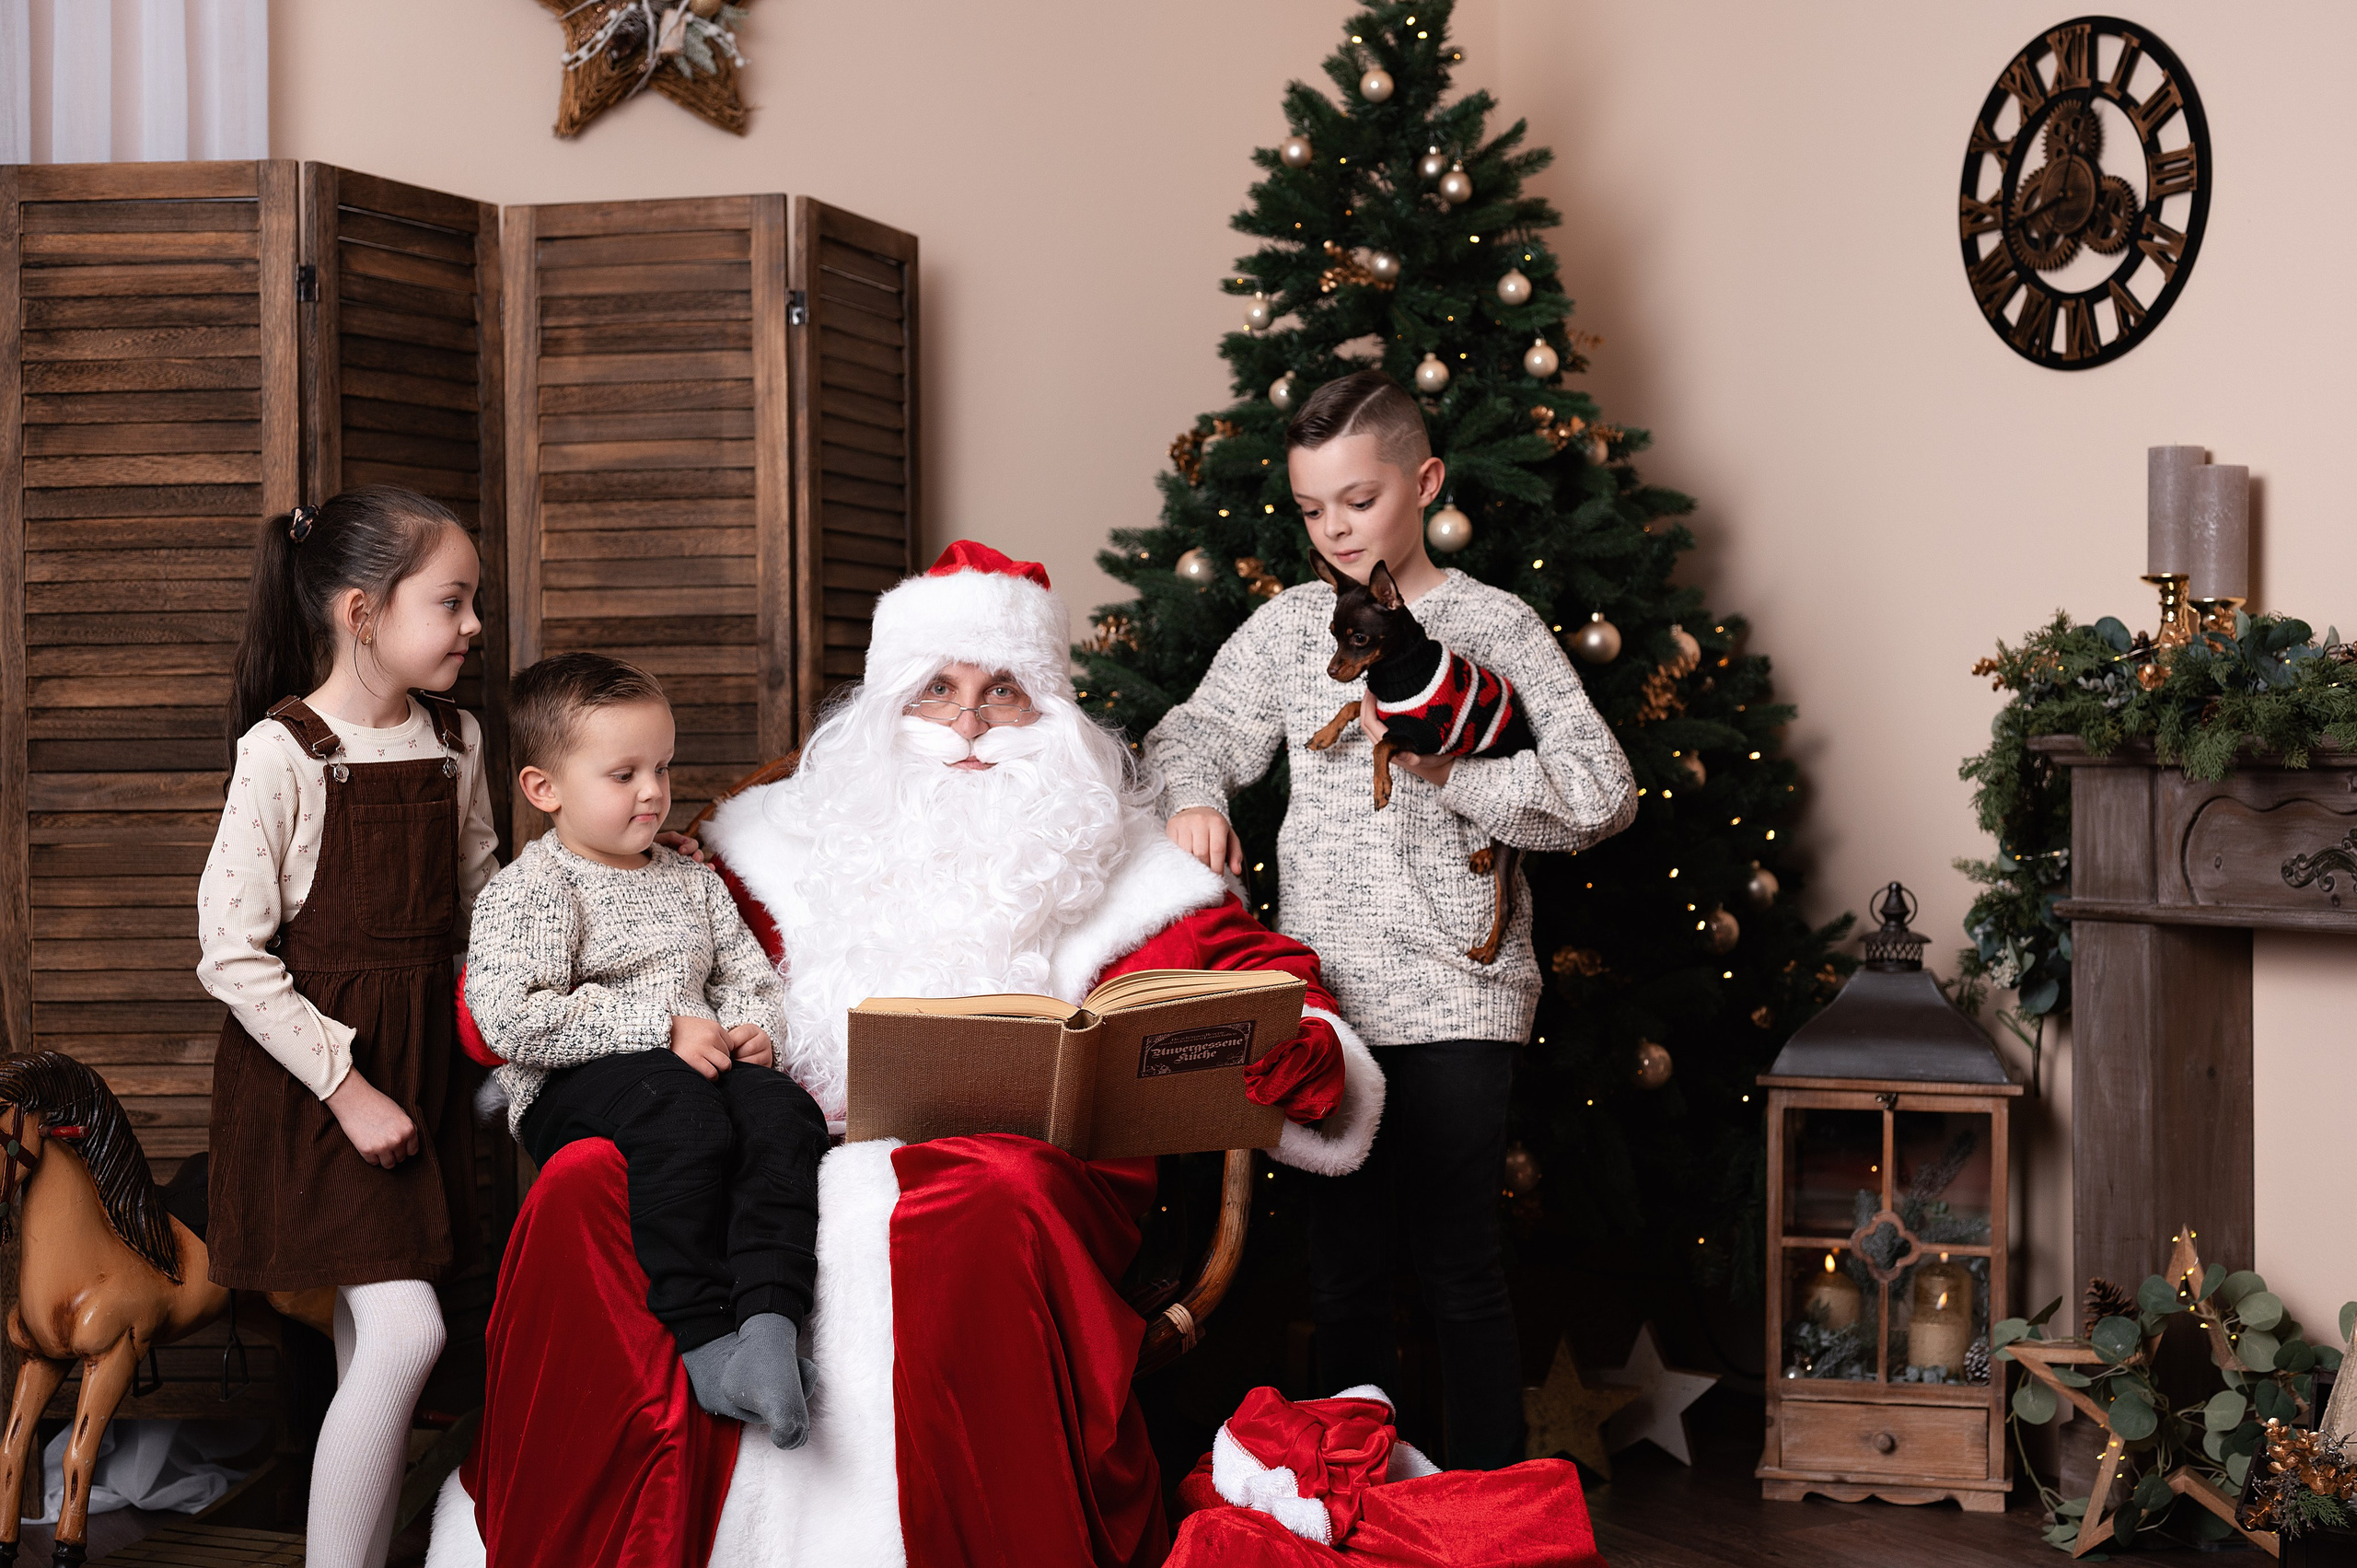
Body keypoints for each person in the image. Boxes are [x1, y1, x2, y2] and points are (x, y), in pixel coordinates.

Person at [436, 540, 1386, 1568]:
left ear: (1052, 711)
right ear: (890, 703)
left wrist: (1305, 1047)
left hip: (1020, 1161)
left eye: (1002, 690)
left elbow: (1251, 972)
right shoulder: (773, 839)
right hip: (780, 1131)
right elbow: (572, 967)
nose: (969, 722)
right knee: (591, 1180)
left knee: (979, 1198)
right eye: (938, 687)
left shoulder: (1116, 854)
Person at [1144, 369, 1638, 1469]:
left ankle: (1495, 1511)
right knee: (1344, 1267)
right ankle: (1358, 1504)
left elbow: (1603, 790)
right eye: (1313, 510)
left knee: (1461, 1260)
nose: (1334, 531)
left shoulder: (1493, 624)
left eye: (1357, 503)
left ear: (1424, 482)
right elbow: (1190, 733)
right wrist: (1192, 797)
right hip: (1326, 1006)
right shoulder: (1282, 633)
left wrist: (1455, 772)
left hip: (1460, 990)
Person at [197, 486, 500, 1568]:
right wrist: (346, 1084)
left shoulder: (456, 738)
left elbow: (483, 912)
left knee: (374, 1333)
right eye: (452, 601)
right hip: (322, 1087)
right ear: (362, 612)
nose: (474, 626)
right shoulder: (283, 751)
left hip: (424, 1070)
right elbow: (229, 954)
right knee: (410, 1328)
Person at [464, 653, 829, 1448]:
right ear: (544, 789)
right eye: (623, 773)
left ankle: (770, 1320)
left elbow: (747, 974)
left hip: (697, 1061)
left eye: (662, 767)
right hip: (577, 1080)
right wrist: (660, 1026)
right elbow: (509, 1021)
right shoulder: (533, 890)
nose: (654, 791)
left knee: (781, 1110)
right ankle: (706, 1337)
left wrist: (752, 1026)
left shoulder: (690, 881)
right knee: (682, 1115)